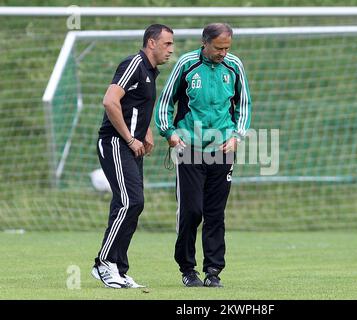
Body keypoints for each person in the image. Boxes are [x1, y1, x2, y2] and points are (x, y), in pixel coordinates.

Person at [155, 23, 252, 287]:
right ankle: (187, 269)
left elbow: (243, 104)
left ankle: (213, 271)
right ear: (205, 43)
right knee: (191, 211)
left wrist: (236, 136)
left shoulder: (234, 66)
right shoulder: (186, 64)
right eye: (219, 48)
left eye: (227, 48)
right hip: (189, 148)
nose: (223, 53)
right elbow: (166, 101)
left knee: (215, 213)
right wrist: (169, 133)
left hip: (222, 149)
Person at [91, 24, 174, 288]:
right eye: (167, 44)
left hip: (131, 146)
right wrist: (129, 137)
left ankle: (118, 268)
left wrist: (146, 131)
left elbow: (134, 105)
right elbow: (110, 101)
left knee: (131, 204)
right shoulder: (133, 63)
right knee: (130, 201)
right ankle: (103, 264)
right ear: (151, 43)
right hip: (116, 143)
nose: (171, 49)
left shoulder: (151, 71)